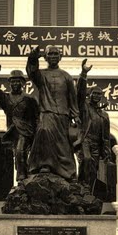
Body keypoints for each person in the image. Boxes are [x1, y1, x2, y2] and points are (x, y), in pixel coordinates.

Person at [25, 44, 79, 181]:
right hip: (47, 111)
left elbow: (72, 97)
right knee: (43, 132)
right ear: (45, 57)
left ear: (60, 57)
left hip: (63, 114)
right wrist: (32, 57)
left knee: (63, 143)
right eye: (50, 54)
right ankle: (44, 165)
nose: (53, 56)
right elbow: (31, 71)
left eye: (56, 54)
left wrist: (76, 115)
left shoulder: (66, 76)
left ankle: (68, 171)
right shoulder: (41, 75)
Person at [0, 64, 38, 183]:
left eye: (18, 81)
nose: (15, 84)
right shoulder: (6, 98)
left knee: (21, 151)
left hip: (26, 131)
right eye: (13, 82)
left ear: (23, 83)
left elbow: (36, 116)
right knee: (18, 155)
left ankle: (22, 178)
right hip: (12, 131)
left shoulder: (29, 99)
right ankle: (23, 178)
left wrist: (36, 133)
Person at [77, 59, 114, 198]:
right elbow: (79, 94)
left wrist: (107, 155)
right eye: (94, 93)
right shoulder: (84, 107)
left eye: (99, 94)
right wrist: (83, 75)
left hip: (96, 144)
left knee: (93, 168)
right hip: (85, 140)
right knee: (85, 160)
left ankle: (88, 192)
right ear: (90, 95)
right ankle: (81, 186)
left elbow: (105, 137)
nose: (97, 96)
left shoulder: (104, 115)